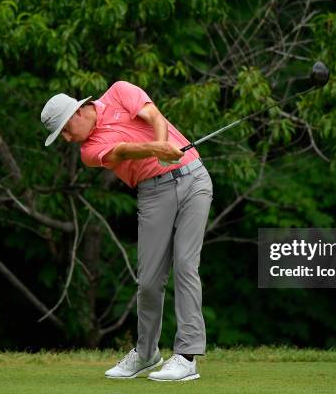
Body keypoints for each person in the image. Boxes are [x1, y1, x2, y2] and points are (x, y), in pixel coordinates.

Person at [41, 81, 213, 382]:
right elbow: (124, 151)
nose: (67, 139)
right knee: (148, 281)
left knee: (186, 265)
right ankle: (147, 355)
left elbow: (156, 117)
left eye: (66, 130)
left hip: (194, 178)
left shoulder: (120, 91)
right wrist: (158, 149)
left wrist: (162, 149)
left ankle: (187, 357)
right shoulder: (89, 151)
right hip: (153, 193)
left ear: (78, 112)